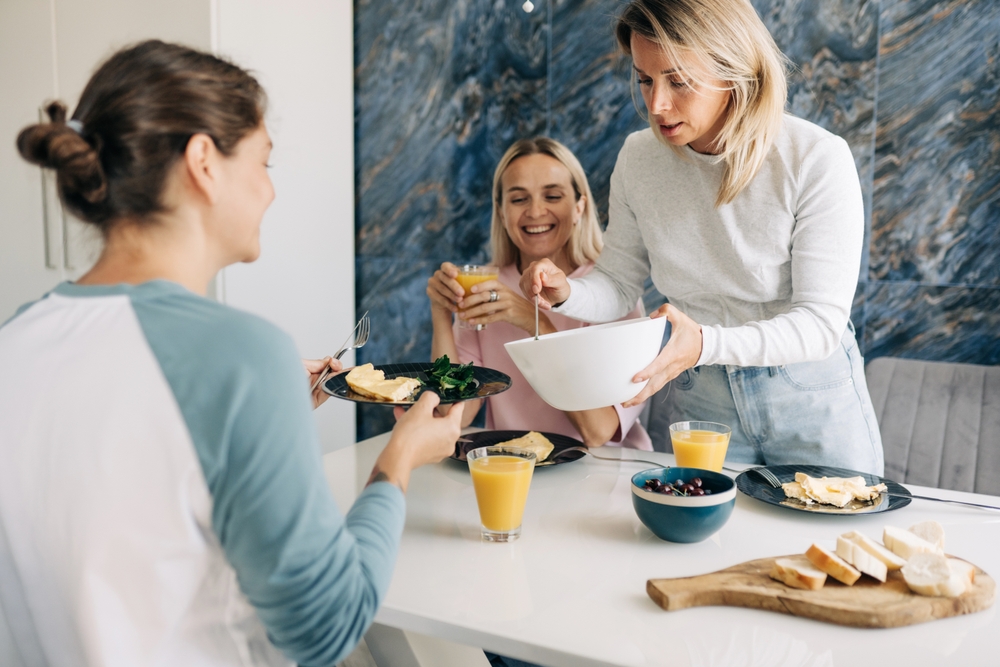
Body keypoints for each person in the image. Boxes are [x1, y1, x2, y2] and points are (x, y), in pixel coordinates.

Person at [0, 40, 463, 666]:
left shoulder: (15, 341)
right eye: (263, 162)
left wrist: (261, 411)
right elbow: (326, 628)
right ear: (204, 163)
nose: (270, 191)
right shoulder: (243, 354)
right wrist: (398, 459)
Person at [521, 0, 884, 473]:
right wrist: (567, 292)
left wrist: (703, 344)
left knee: (828, 525)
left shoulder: (815, 158)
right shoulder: (638, 158)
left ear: (734, 70)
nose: (656, 104)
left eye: (678, 81)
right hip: (704, 401)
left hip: (810, 403)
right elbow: (618, 284)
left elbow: (819, 325)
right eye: (645, 79)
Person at [426, 137, 652, 450]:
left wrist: (534, 323)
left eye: (553, 196)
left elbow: (598, 431)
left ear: (579, 207)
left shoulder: (613, 292)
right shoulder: (483, 288)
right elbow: (455, 412)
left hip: (605, 471)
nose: (535, 211)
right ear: (501, 212)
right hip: (513, 466)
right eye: (519, 199)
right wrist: (440, 312)